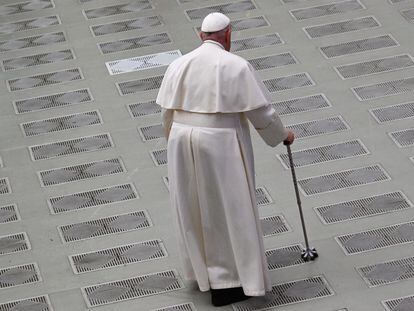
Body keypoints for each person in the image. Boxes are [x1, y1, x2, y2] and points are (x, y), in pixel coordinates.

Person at [156, 12, 295, 307]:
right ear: (228, 34)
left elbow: (167, 112)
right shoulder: (236, 65)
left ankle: (201, 273)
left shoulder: (178, 64)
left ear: (200, 35)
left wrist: (175, 144)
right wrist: (282, 135)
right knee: (229, 208)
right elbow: (262, 113)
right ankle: (229, 281)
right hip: (218, 142)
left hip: (181, 139)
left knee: (192, 206)